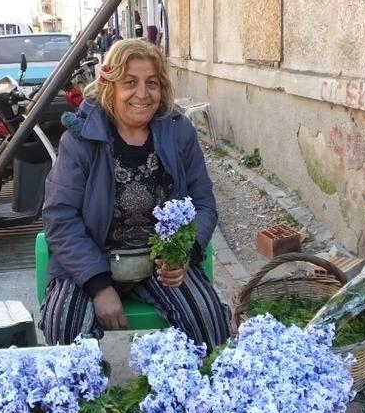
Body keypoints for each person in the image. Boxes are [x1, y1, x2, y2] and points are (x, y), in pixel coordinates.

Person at [40, 39, 231, 350]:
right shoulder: (81, 138)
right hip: (91, 262)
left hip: (160, 265)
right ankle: (87, 392)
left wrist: (185, 253)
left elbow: (203, 203)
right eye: (130, 83)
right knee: (65, 329)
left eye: (152, 83)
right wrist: (99, 286)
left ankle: (190, 391)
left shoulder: (178, 131)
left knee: (210, 324)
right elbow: (59, 217)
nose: (143, 94)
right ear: (110, 87)